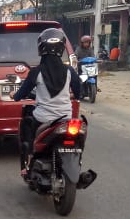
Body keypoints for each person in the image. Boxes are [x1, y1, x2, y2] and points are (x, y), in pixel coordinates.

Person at [13, 27, 82, 175]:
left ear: (41, 48)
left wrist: (15, 95)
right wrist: (71, 96)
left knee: (27, 123)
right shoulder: (69, 71)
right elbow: (78, 93)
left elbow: (20, 95)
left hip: (43, 119)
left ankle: (28, 161)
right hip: (65, 118)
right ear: (61, 48)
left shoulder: (36, 72)